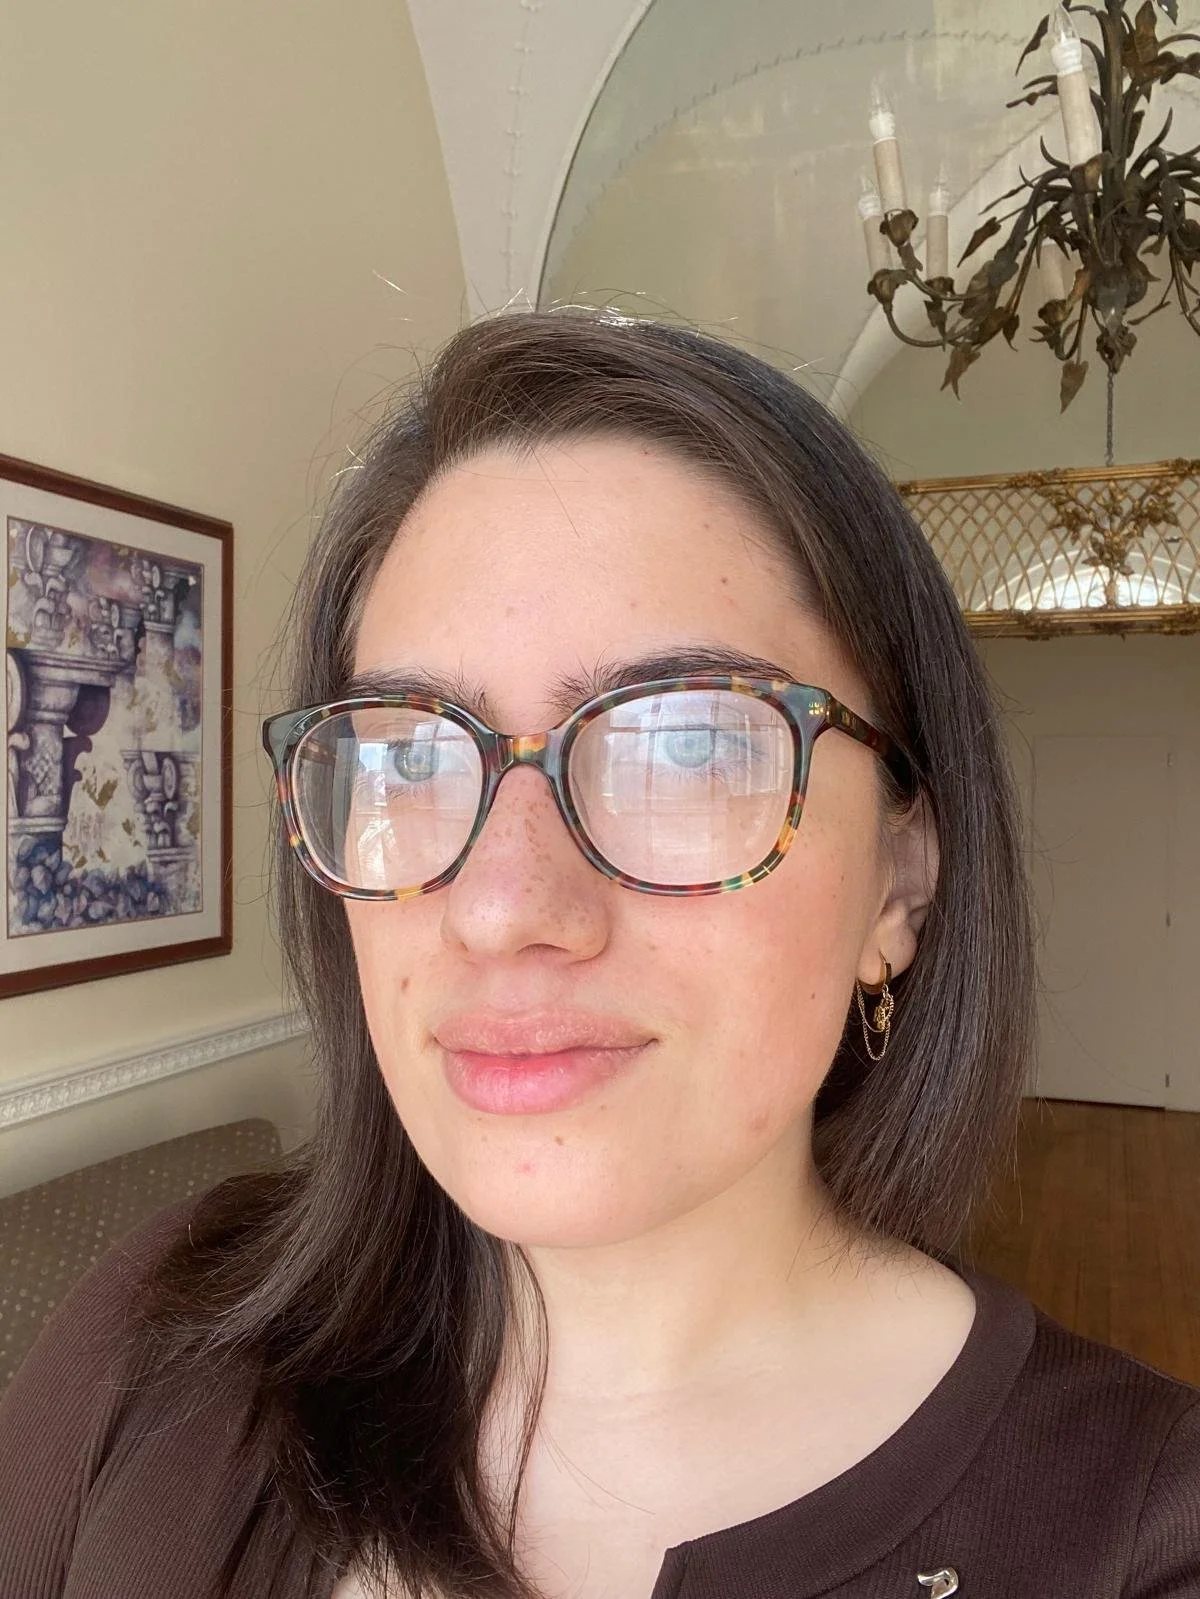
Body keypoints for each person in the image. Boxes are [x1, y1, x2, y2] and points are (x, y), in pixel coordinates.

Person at [1, 309, 1197, 1599]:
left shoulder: (1141, 1532)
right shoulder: (165, 1333)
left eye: (683, 743)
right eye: (406, 751)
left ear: (899, 881)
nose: (500, 906)